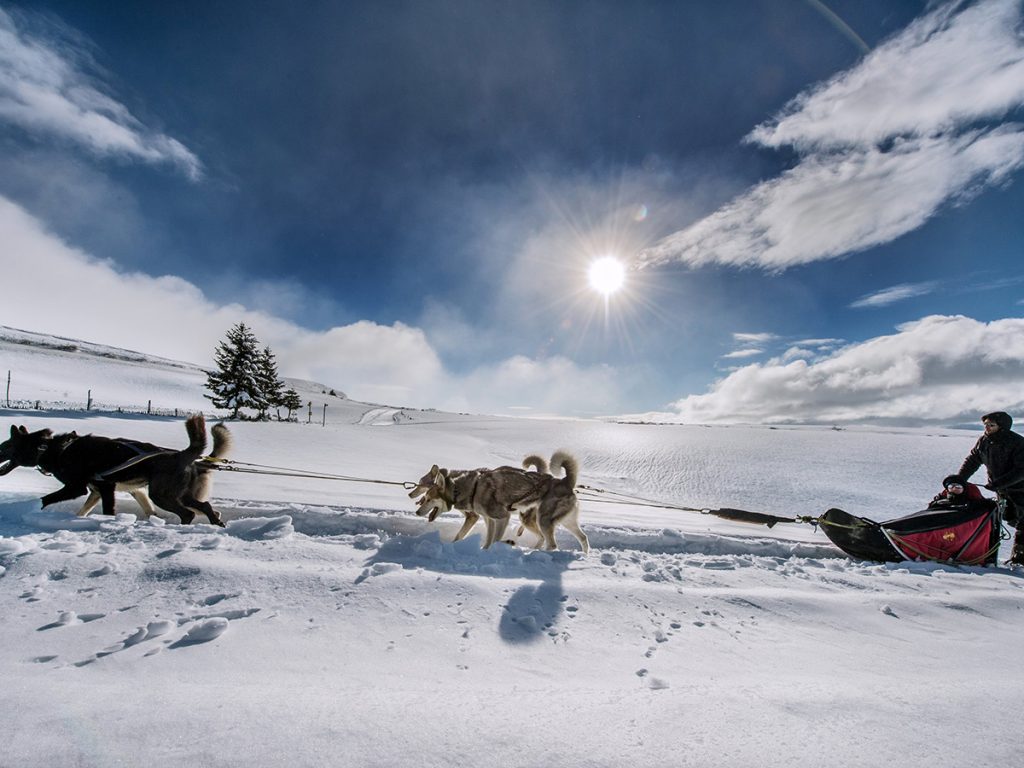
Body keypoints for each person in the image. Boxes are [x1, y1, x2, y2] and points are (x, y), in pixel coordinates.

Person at [956, 411, 1024, 565]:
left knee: (1023, 523)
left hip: (1020, 489)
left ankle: (1019, 561)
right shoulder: (984, 441)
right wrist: (960, 479)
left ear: (1002, 427)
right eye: (985, 425)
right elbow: (973, 460)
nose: (987, 428)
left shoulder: (1017, 443)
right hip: (1002, 490)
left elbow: (1022, 470)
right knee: (1010, 518)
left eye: (991, 425)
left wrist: (1000, 483)